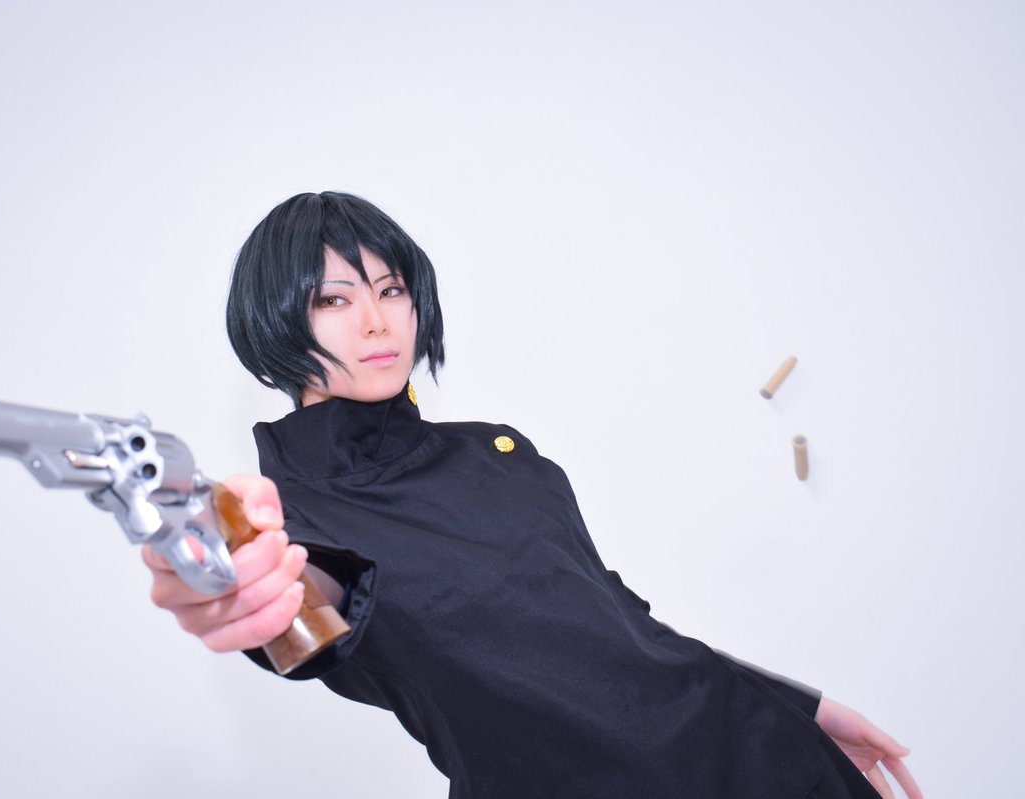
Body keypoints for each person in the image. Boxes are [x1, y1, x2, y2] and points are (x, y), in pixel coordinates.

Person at [141, 191, 922, 799]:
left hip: (763, 758)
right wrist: (236, 580)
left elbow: (621, 626)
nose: (376, 321)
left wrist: (799, 703)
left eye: (392, 288)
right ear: (275, 321)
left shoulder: (499, 453)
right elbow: (305, 598)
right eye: (333, 299)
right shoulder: (291, 521)